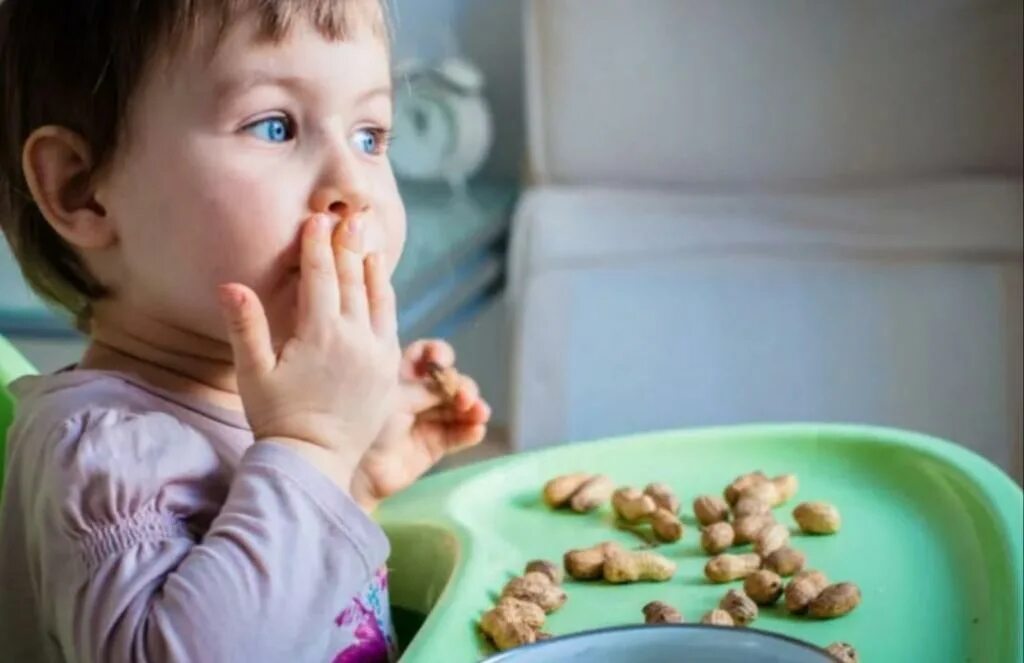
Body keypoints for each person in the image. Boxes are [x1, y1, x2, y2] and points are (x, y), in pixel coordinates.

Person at [0, 1, 490, 660]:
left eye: (371, 135)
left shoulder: (249, 415)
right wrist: (313, 447)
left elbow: (296, 613)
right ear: (83, 189)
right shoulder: (101, 453)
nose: (354, 185)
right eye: (275, 126)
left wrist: (352, 476)